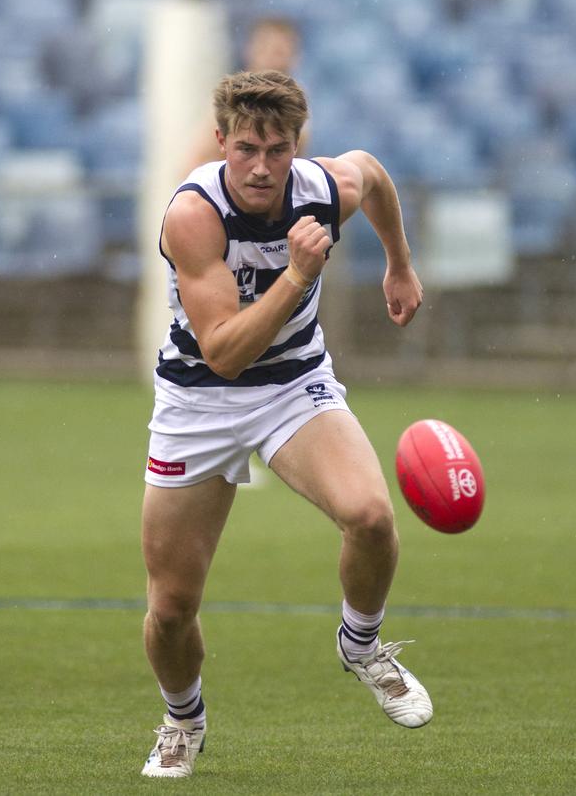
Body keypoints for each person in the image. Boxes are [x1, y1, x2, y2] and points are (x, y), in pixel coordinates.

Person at [140, 69, 432, 779]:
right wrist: (298, 275)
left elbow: (374, 174)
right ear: (221, 144)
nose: (262, 166)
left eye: (277, 149)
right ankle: (183, 717)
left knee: (369, 515)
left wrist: (399, 263)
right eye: (246, 149)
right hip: (199, 401)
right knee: (172, 606)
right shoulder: (193, 216)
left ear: (298, 145)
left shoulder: (326, 188)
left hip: (294, 384)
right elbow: (225, 353)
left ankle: (361, 645)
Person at [185, 16, 308, 170]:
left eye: (279, 51)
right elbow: (193, 167)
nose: (272, 59)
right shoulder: (230, 104)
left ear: (295, 55)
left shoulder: (296, 113)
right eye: (265, 49)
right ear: (250, 51)